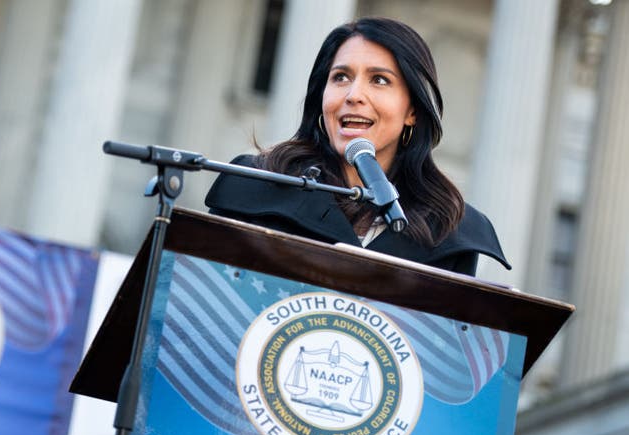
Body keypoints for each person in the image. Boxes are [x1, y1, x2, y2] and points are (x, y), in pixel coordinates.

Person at [205, 17, 509, 277]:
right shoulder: (257, 186)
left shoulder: (448, 230)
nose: (353, 94)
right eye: (340, 77)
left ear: (412, 111)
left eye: (379, 80)